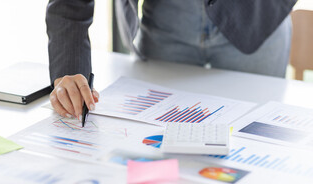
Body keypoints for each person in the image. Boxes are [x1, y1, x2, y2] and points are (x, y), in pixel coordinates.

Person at [46, 0, 297, 119]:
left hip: (255, 15)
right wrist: (69, 72)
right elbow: (70, 5)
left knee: (254, 139)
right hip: (167, 20)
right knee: (158, 144)